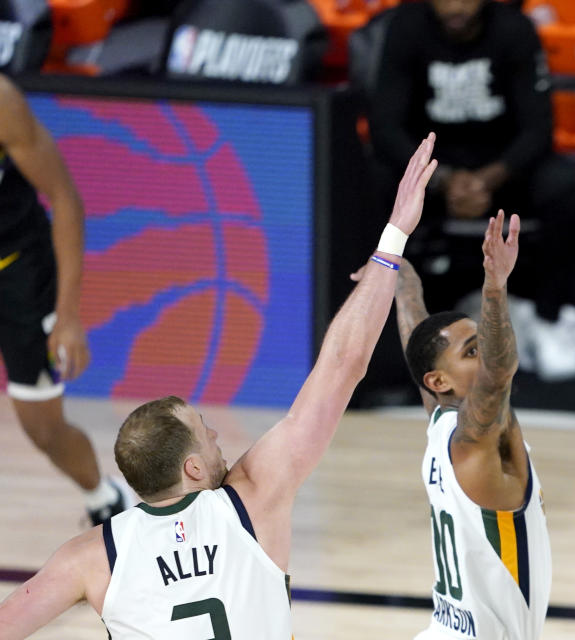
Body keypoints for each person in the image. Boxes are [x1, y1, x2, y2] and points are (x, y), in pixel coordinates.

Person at [0, 134, 439, 639]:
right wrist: (394, 236)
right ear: (191, 467)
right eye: (205, 432)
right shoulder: (253, 497)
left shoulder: (92, 555)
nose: (217, 439)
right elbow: (343, 364)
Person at [368, 0, 575, 322]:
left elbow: (539, 129)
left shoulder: (514, 28)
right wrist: (442, 180)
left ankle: (550, 318)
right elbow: (385, 127)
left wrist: (484, 180)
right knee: (371, 180)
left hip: (502, 170)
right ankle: (383, 315)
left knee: (562, 184)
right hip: (431, 171)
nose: (455, 7)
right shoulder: (406, 26)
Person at [386, 210, 551, 639]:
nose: (486, 355)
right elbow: (498, 374)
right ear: (439, 381)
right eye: (472, 351)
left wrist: (394, 264)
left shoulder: (440, 419)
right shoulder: (474, 443)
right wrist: (495, 288)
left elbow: (412, 323)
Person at [0, 74, 130, 525]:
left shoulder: (2, 101)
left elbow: (65, 199)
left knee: (43, 428)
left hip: (19, 273)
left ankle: (102, 498)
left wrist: (69, 316)